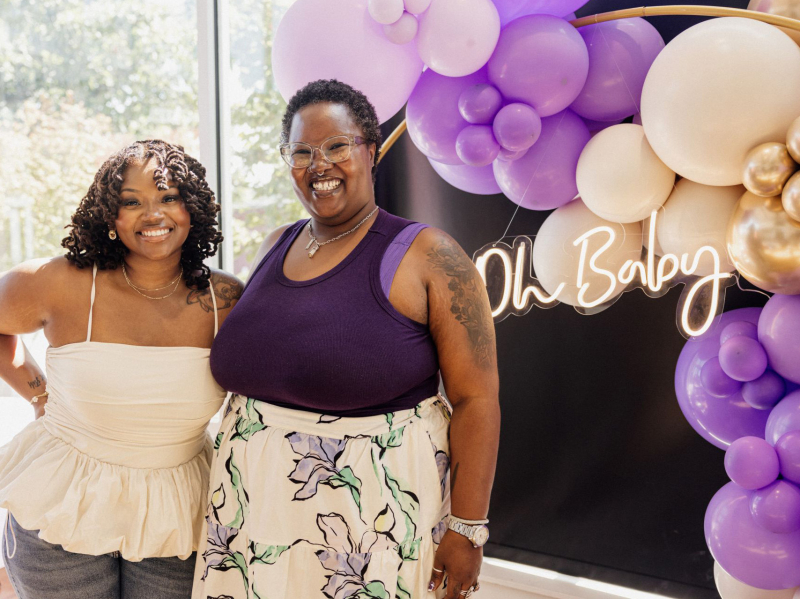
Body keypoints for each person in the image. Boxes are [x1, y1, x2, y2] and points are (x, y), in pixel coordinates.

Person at [193, 80, 500, 599]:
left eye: (337, 146)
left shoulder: (430, 256)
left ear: (371, 149)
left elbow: (477, 399)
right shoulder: (276, 244)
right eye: (301, 152)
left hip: (369, 520)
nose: (319, 165)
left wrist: (467, 528)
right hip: (251, 508)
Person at [0, 140, 243, 599]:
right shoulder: (60, 283)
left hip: (177, 513)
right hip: (62, 508)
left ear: (192, 209)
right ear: (109, 216)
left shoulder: (226, 299)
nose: (153, 214)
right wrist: (37, 393)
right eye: (131, 202)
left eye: (168, 197)